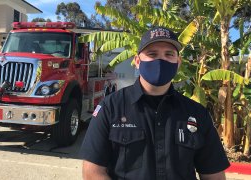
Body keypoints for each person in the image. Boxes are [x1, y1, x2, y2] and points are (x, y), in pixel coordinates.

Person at [80, 27, 230, 180]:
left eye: (169, 54)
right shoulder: (111, 107)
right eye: (152, 54)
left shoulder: (197, 114)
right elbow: (92, 173)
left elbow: (214, 175)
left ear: (178, 63)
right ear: (137, 61)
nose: (161, 60)